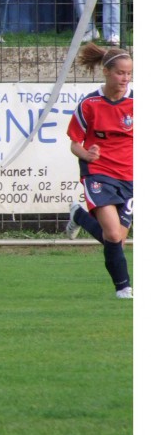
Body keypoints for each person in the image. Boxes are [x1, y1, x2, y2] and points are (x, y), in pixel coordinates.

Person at [65, 43, 133, 299]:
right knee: (113, 234)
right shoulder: (89, 104)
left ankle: (79, 216)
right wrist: (87, 154)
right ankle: (123, 288)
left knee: (115, 240)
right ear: (106, 72)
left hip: (131, 177)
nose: (125, 78)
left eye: (128, 74)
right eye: (120, 73)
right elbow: (74, 143)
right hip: (99, 173)